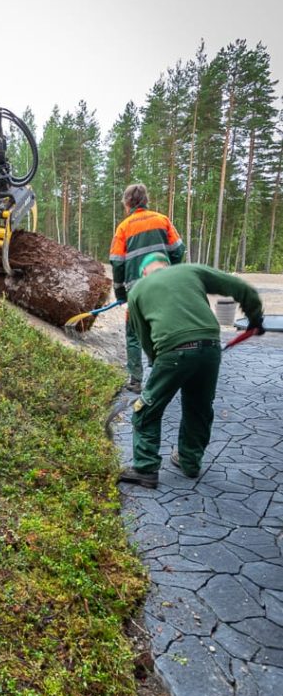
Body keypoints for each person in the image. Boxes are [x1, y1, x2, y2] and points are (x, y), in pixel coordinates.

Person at [118, 254, 265, 489]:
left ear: (143, 272)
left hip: (172, 352)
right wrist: (255, 318)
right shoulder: (189, 271)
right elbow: (240, 287)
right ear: (167, 265)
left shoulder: (137, 290)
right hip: (210, 347)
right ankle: (190, 461)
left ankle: (145, 468)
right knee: (199, 407)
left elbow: (144, 337)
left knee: (147, 410)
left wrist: (157, 365)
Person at [110, 184, 185, 393]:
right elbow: (179, 249)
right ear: (145, 200)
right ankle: (165, 374)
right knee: (164, 330)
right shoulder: (163, 221)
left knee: (133, 334)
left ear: (127, 204)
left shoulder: (124, 228)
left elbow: (117, 262)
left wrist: (120, 293)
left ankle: (135, 380)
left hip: (138, 292)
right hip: (164, 288)